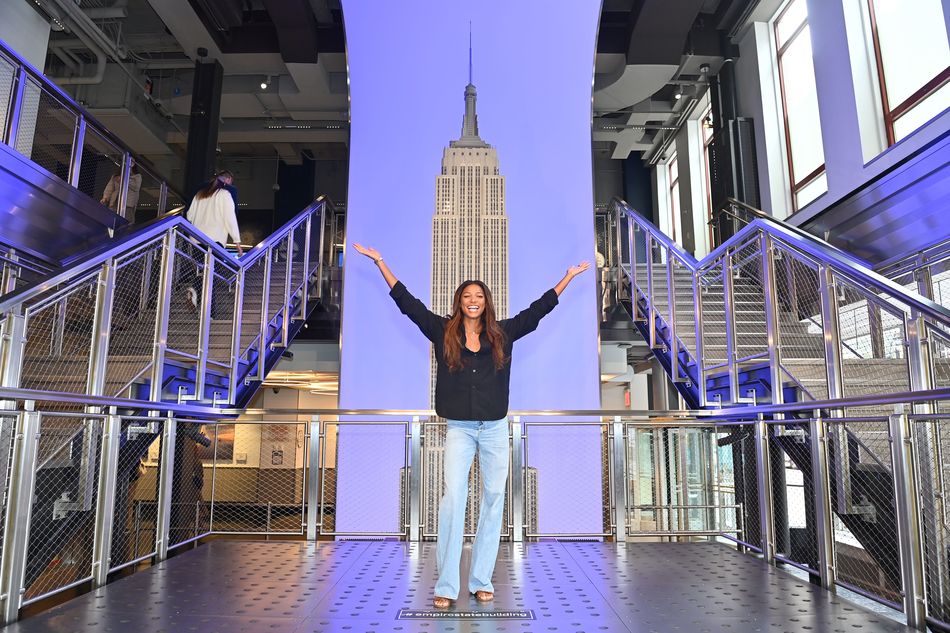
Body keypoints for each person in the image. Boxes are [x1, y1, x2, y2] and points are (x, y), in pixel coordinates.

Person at [352, 241, 590, 609]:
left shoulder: (503, 333)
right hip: (460, 428)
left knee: (494, 500)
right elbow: (408, 304)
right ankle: (446, 585)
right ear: (460, 301)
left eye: (479, 295)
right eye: (467, 295)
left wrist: (568, 278)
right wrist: (381, 261)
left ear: (486, 301)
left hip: (495, 428)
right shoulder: (442, 331)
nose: (473, 300)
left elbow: (537, 311)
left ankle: (481, 579)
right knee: (453, 501)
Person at [183, 171, 244, 309]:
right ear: (227, 180)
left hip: (197, 239)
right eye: (231, 181)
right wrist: (237, 242)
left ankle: (195, 291)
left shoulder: (200, 194)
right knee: (210, 276)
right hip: (215, 241)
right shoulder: (225, 195)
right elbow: (230, 219)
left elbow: (189, 215)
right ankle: (209, 313)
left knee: (202, 271)